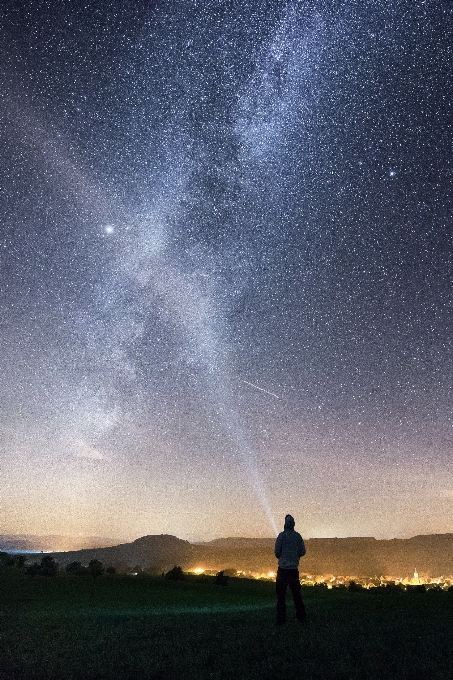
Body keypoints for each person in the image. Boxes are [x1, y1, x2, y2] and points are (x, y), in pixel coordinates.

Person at [274, 514, 307, 624]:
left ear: (285, 524)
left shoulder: (281, 536)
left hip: (282, 569)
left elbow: (277, 553)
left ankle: (281, 618)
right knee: (296, 594)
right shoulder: (297, 536)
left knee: (281, 595)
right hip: (293, 570)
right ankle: (300, 616)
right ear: (293, 525)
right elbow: (302, 551)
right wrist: (294, 556)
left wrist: (284, 556)